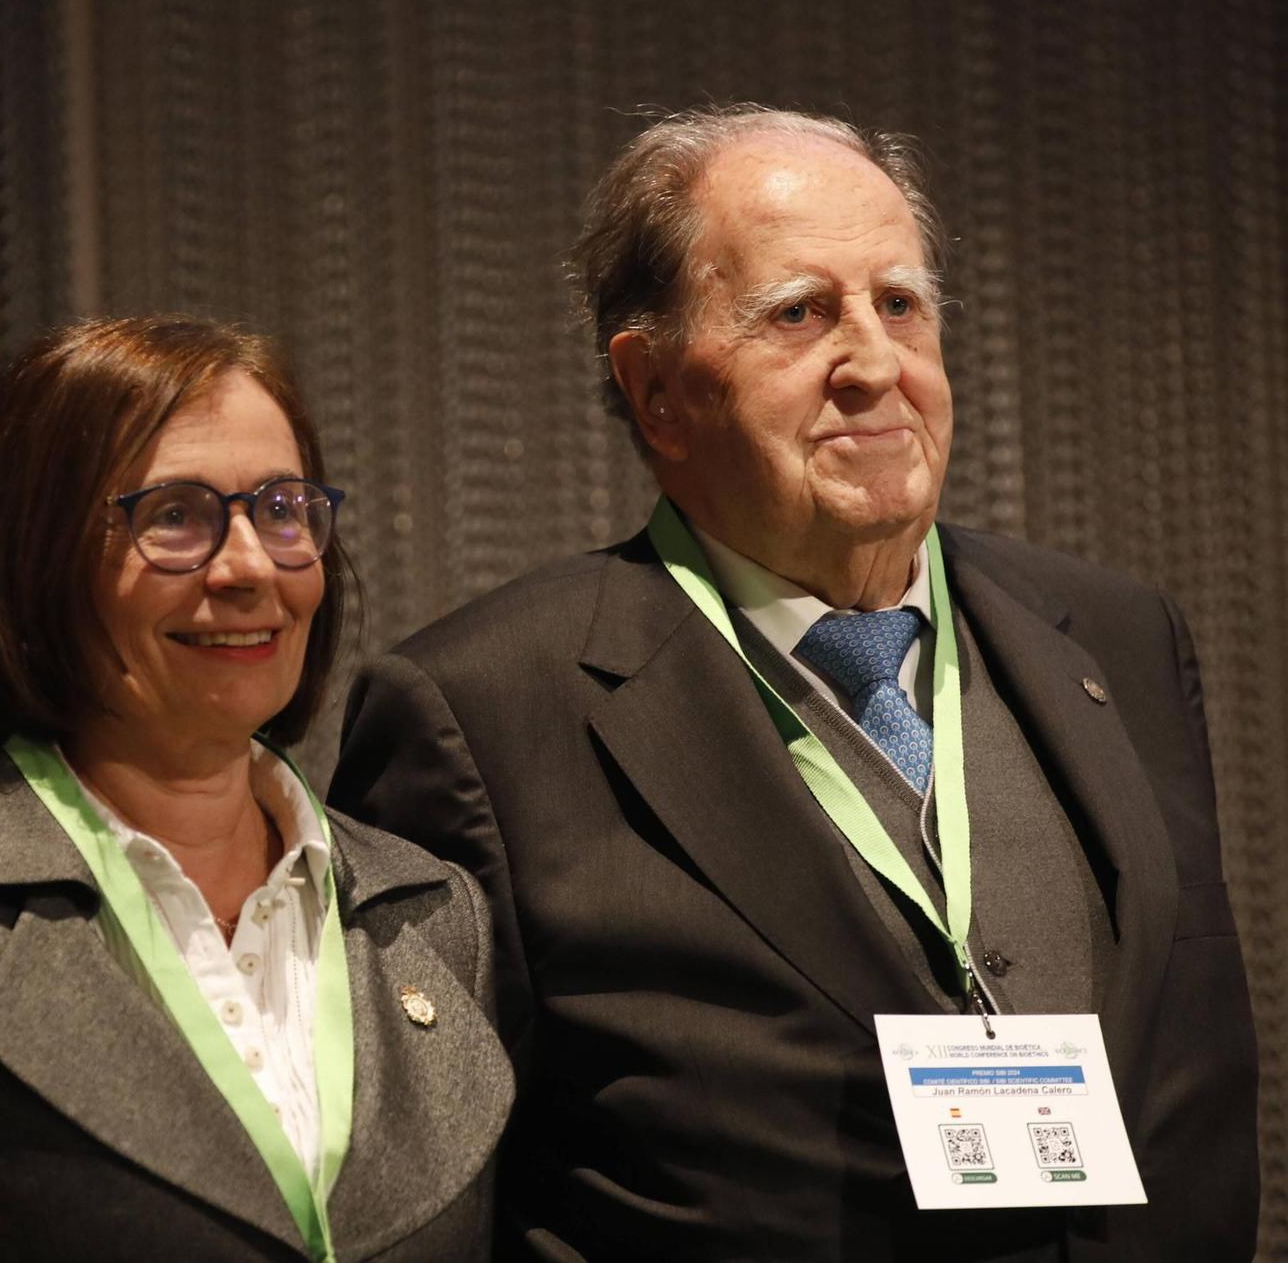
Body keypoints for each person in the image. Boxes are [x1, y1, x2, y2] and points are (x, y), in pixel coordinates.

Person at [330, 106, 1258, 1260]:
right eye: (799, 313)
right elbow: (434, 1197)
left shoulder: (1116, 638)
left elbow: (1196, 1078)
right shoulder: (475, 709)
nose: (874, 364)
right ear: (656, 388)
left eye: (900, 305)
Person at [0, 316, 512, 1261]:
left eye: (281, 507)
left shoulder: (435, 916)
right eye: (177, 515)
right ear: (38, 562)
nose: (246, 566)